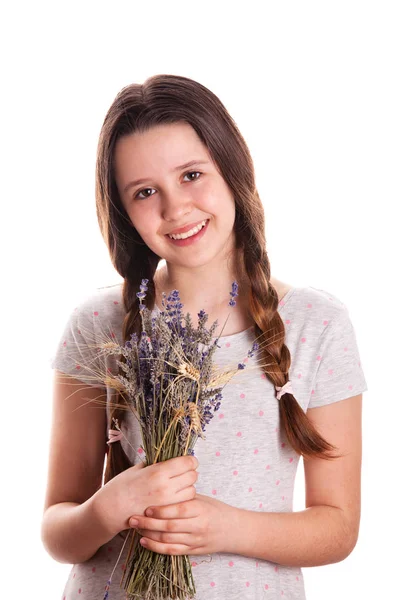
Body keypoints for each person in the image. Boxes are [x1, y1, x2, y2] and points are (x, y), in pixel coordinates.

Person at [41, 74, 368, 600]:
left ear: (232, 169)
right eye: (145, 192)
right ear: (125, 212)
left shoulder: (315, 323)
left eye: (192, 174)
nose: (176, 208)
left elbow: (337, 528)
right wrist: (106, 508)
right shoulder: (97, 323)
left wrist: (226, 527)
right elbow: (58, 531)